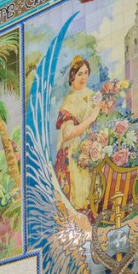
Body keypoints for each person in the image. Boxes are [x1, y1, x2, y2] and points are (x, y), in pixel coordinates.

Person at [55, 55, 101, 212]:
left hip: (91, 150)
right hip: (72, 154)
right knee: (78, 200)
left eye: (86, 73)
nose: (84, 77)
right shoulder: (68, 102)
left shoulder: (93, 96)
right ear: (72, 77)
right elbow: (68, 134)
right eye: (79, 74)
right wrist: (92, 118)